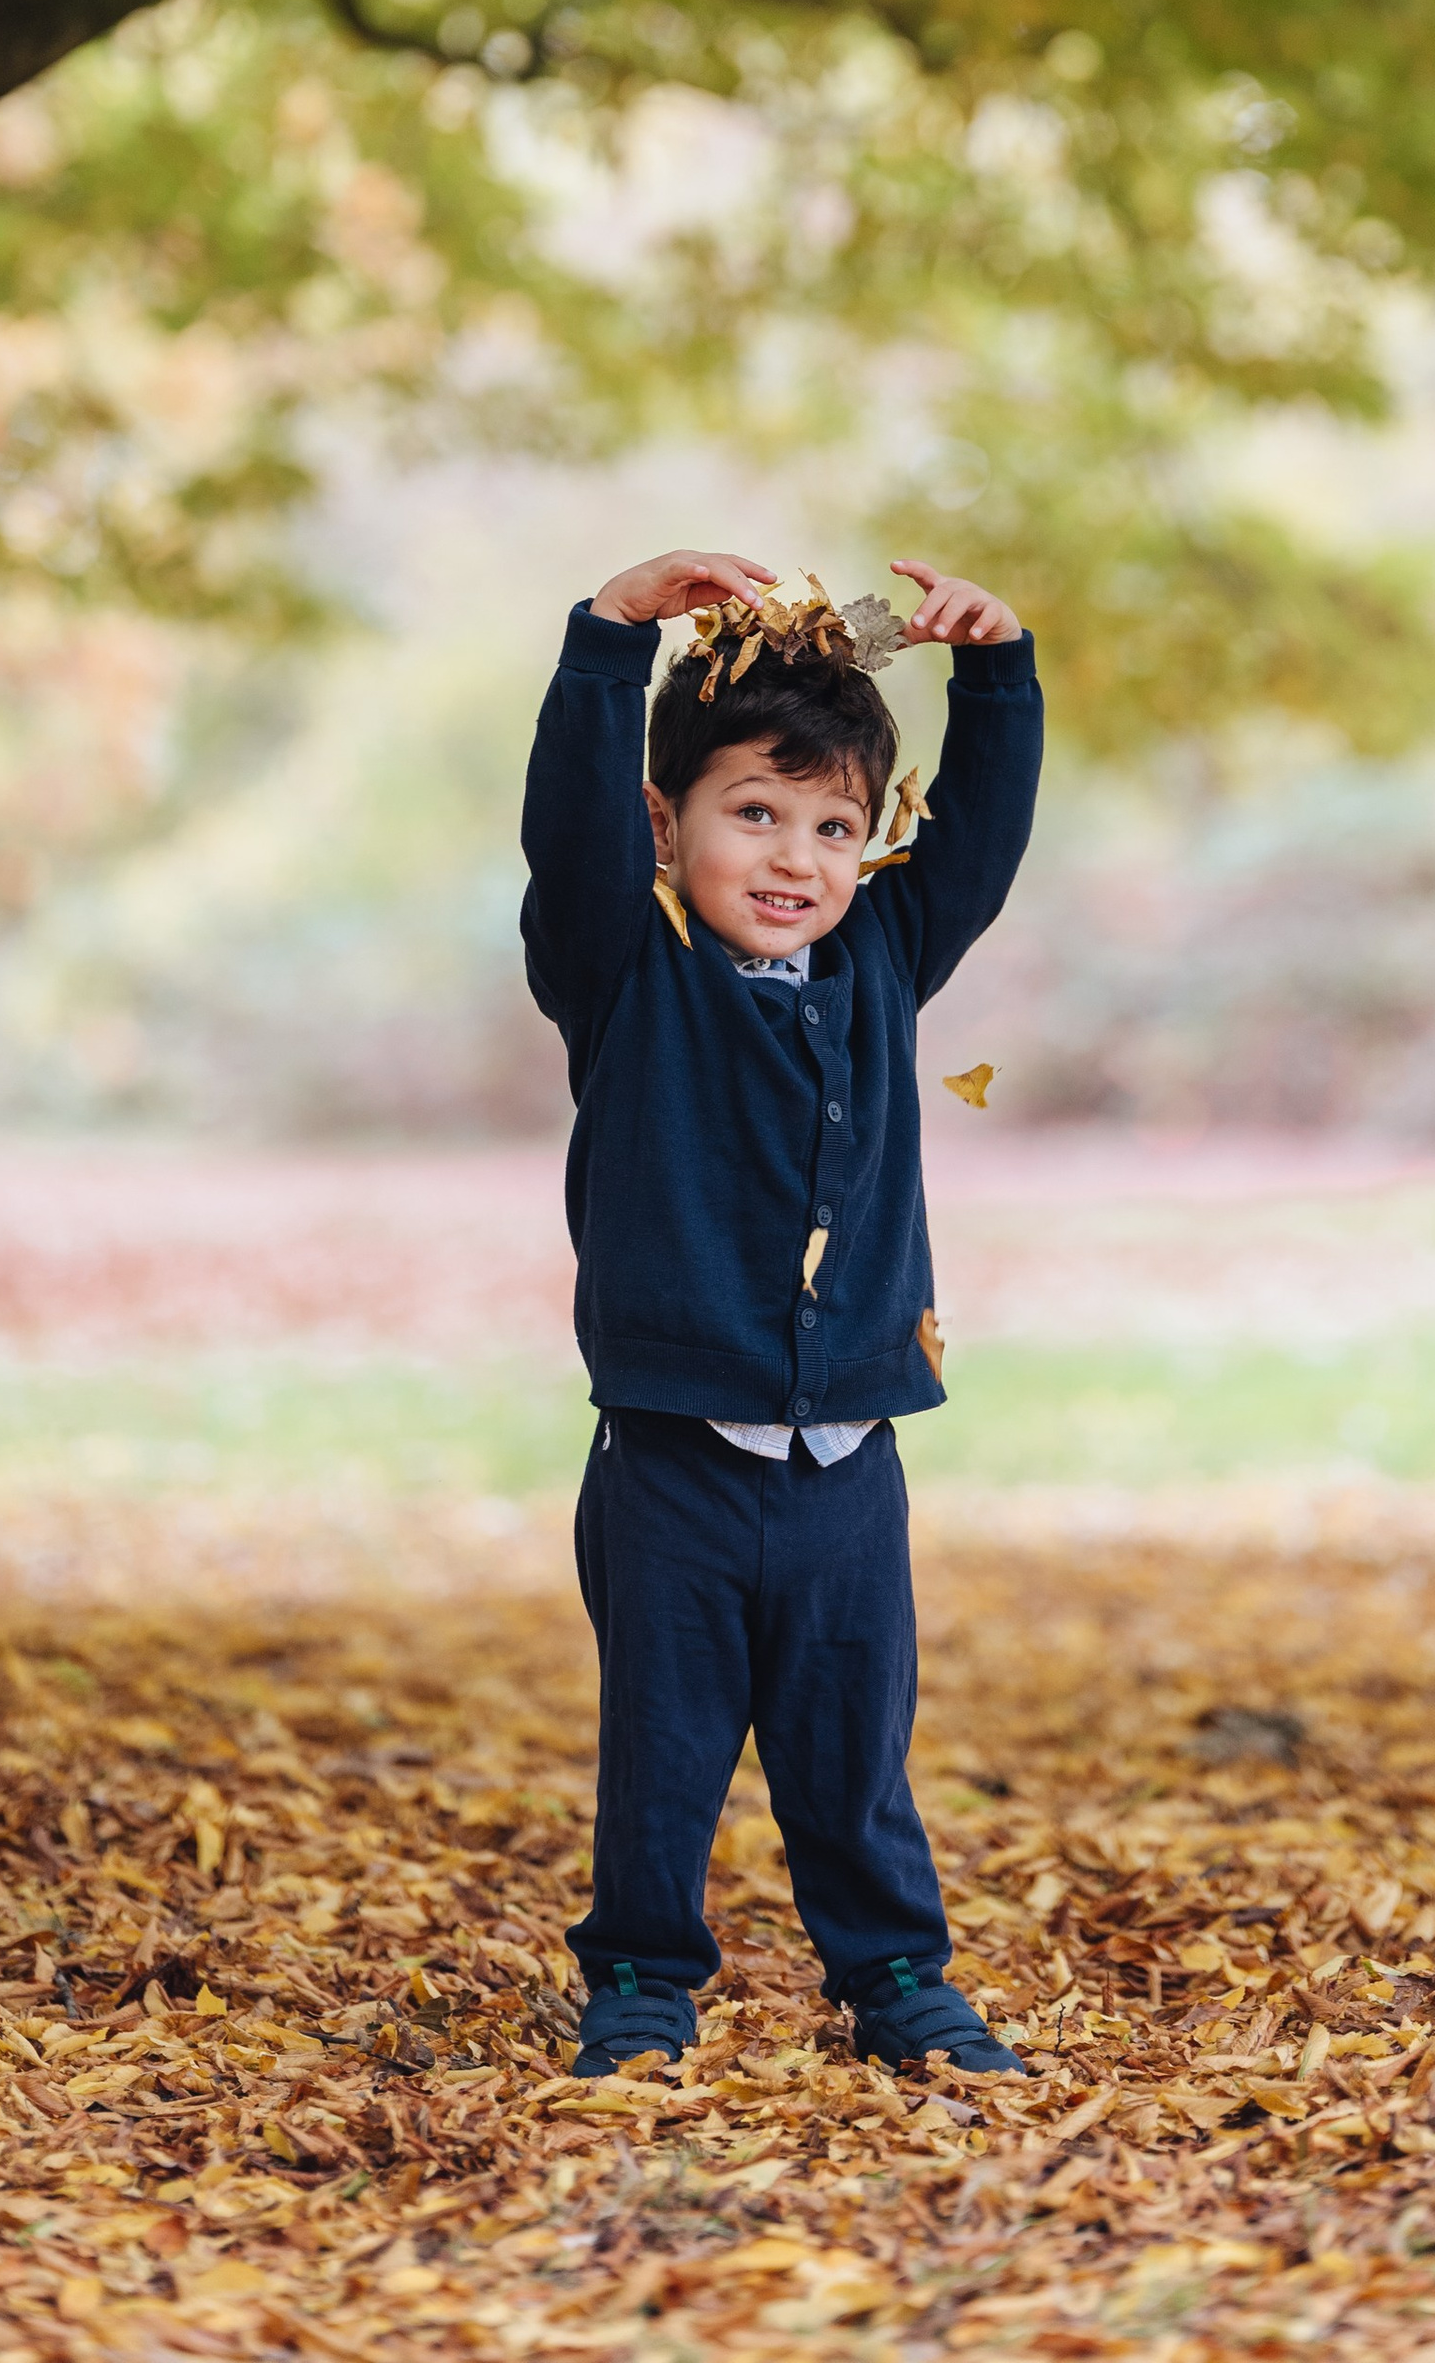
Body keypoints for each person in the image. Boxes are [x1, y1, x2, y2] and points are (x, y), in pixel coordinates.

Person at [521, 546, 1043, 2082]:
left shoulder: (881, 956)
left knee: (852, 1748)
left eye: (832, 826)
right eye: (753, 812)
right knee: (665, 1751)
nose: (795, 857)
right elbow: (566, 832)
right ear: (665, 823)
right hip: (672, 1465)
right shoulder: (627, 964)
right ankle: (640, 1984)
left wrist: (999, 669)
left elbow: (980, 845)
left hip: (847, 1469)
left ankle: (897, 1979)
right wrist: (609, 638)